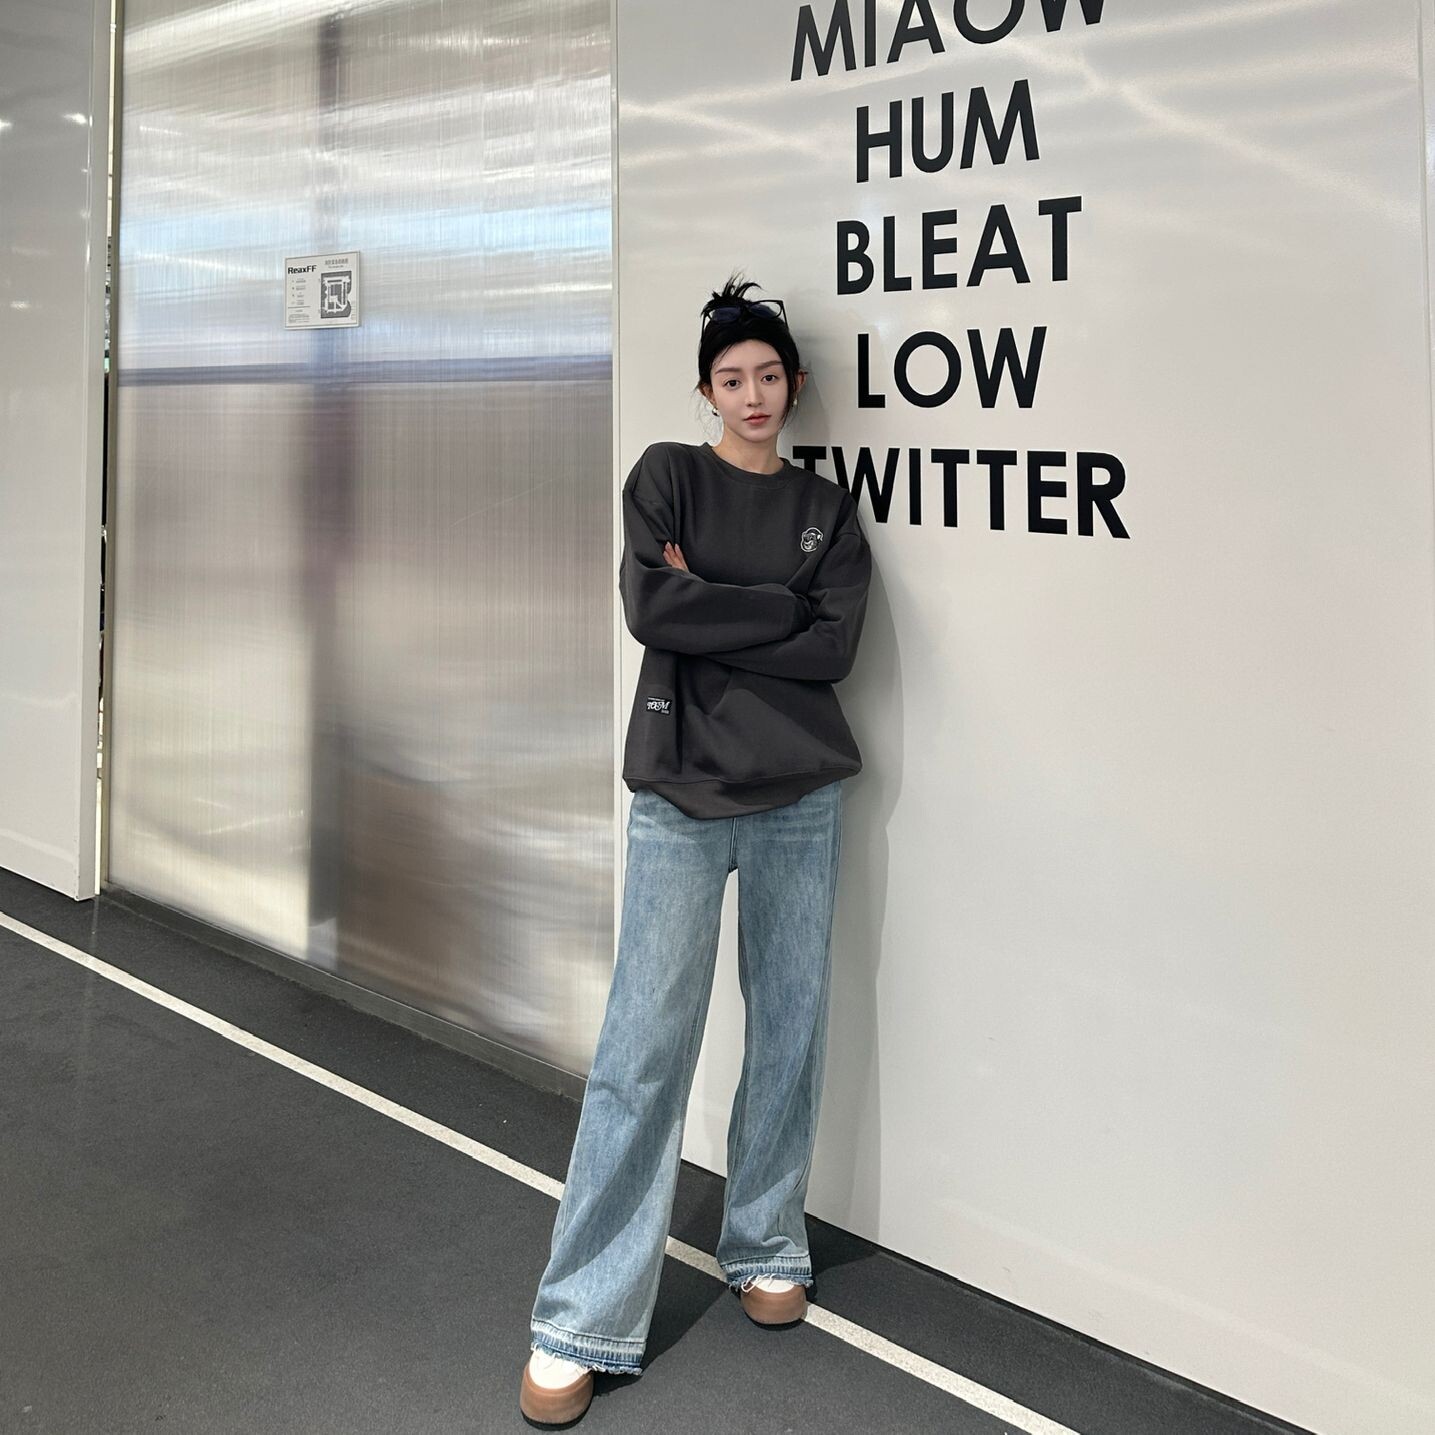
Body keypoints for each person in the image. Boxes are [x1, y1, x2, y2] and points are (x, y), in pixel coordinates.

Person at [519, 275, 873, 1425]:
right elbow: (652, 612)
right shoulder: (666, 475)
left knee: (790, 1028)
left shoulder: (827, 510)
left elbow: (834, 651)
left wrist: (714, 596)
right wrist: (778, 606)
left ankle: (765, 1240)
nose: (752, 394)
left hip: (800, 797)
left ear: (793, 384)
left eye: (768, 375)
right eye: (732, 378)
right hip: (680, 795)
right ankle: (580, 1316)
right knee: (643, 1047)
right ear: (706, 389)